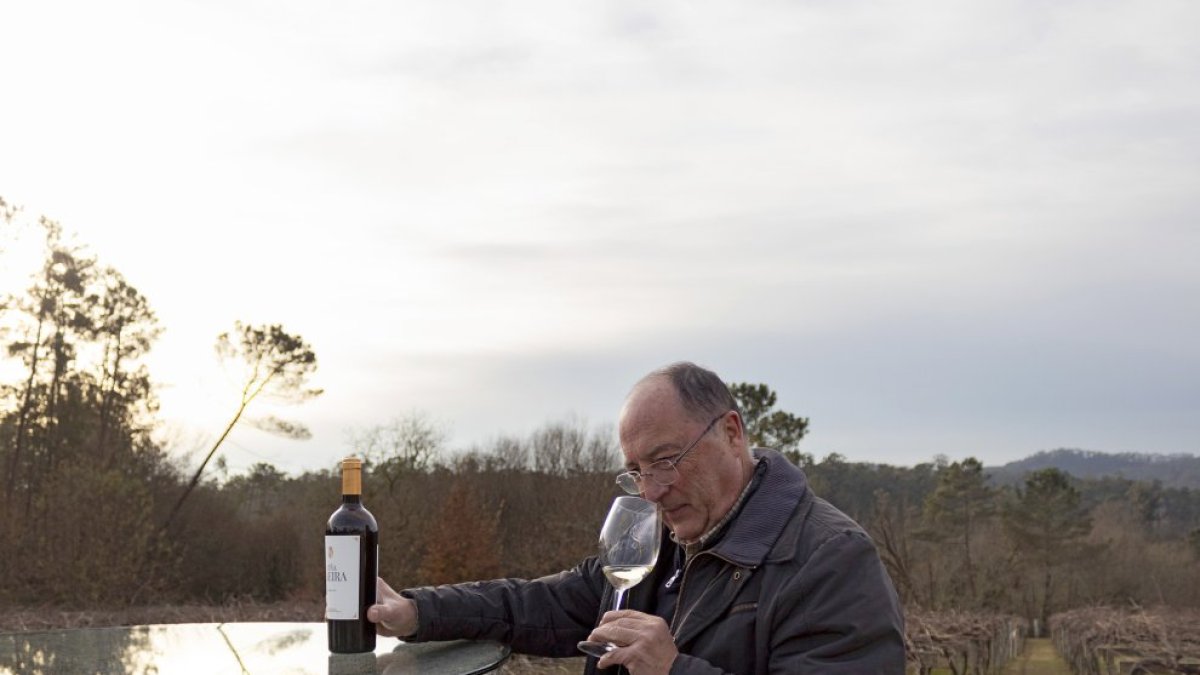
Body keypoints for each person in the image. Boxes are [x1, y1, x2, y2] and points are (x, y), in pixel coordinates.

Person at [368, 362, 906, 674]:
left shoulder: (831, 561)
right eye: (636, 471)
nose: (652, 490)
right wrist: (417, 612)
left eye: (666, 460)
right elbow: (538, 604)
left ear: (731, 433)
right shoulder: (655, 537)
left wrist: (672, 670)